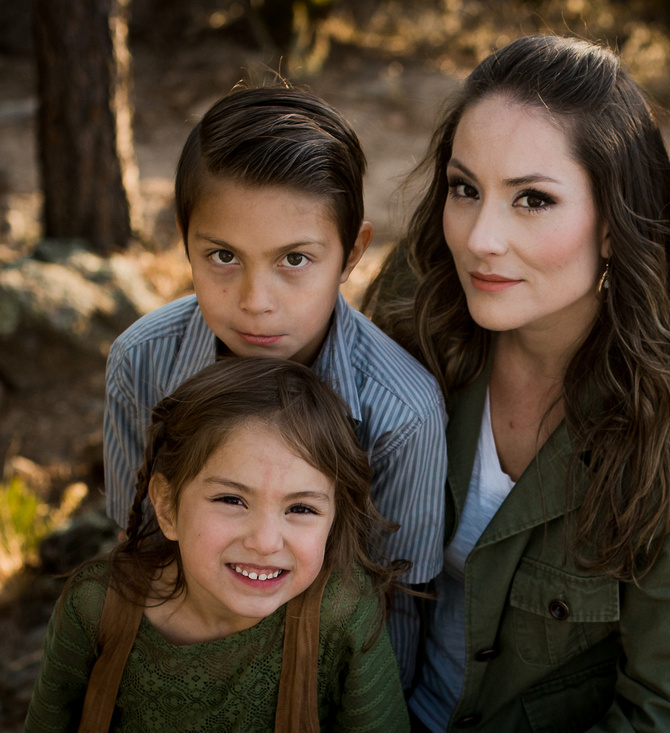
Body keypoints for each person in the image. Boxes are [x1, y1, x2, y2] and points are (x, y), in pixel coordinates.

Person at [365, 34, 670, 731]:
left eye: (533, 200)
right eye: (465, 189)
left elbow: (669, 714)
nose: (481, 237)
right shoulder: (410, 316)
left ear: (613, 225)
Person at [102, 85, 446, 685]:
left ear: (353, 252)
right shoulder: (142, 362)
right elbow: (139, 547)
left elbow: (400, 602)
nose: (255, 303)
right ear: (185, 238)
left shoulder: (402, 412)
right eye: (223, 257)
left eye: (294, 260)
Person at [26, 357, 410, 731]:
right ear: (167, 506)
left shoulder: (341, 614)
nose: (264, 542)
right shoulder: (97, 606)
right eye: (231, 500)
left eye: (301, 508)